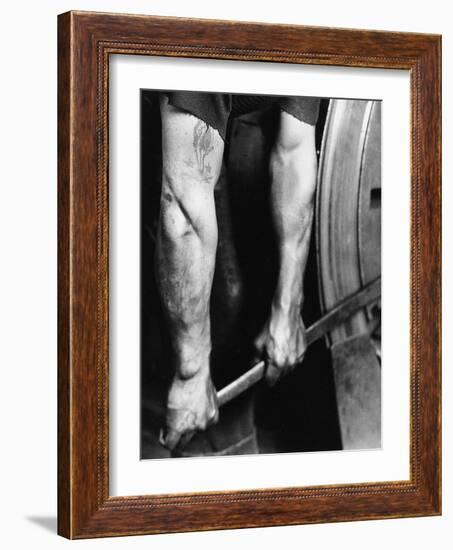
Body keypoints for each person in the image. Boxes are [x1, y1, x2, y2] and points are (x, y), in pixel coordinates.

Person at [155, 91, 320, 453]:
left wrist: (287, 309)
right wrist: (190, 373)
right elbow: (182, 214)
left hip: (238, 116)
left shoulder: (316, 37)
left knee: (240, 299)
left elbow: (295, 153)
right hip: (158, 127)